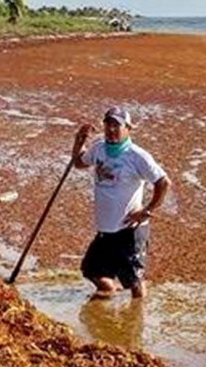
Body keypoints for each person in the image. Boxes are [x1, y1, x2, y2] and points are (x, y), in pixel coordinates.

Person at [71, 106, 170, 299]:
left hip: (129, 230)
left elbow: (163, 182)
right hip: (105, 228)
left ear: (128, 128)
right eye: (108, 124)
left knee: (135, 284)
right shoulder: (99, 148)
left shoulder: (137, 156)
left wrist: (147, 210)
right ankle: (109, 290)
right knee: (91, 270)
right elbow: (79, 163)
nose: (111, 130)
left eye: (117, 125)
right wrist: (79, 140)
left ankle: (136, 321)